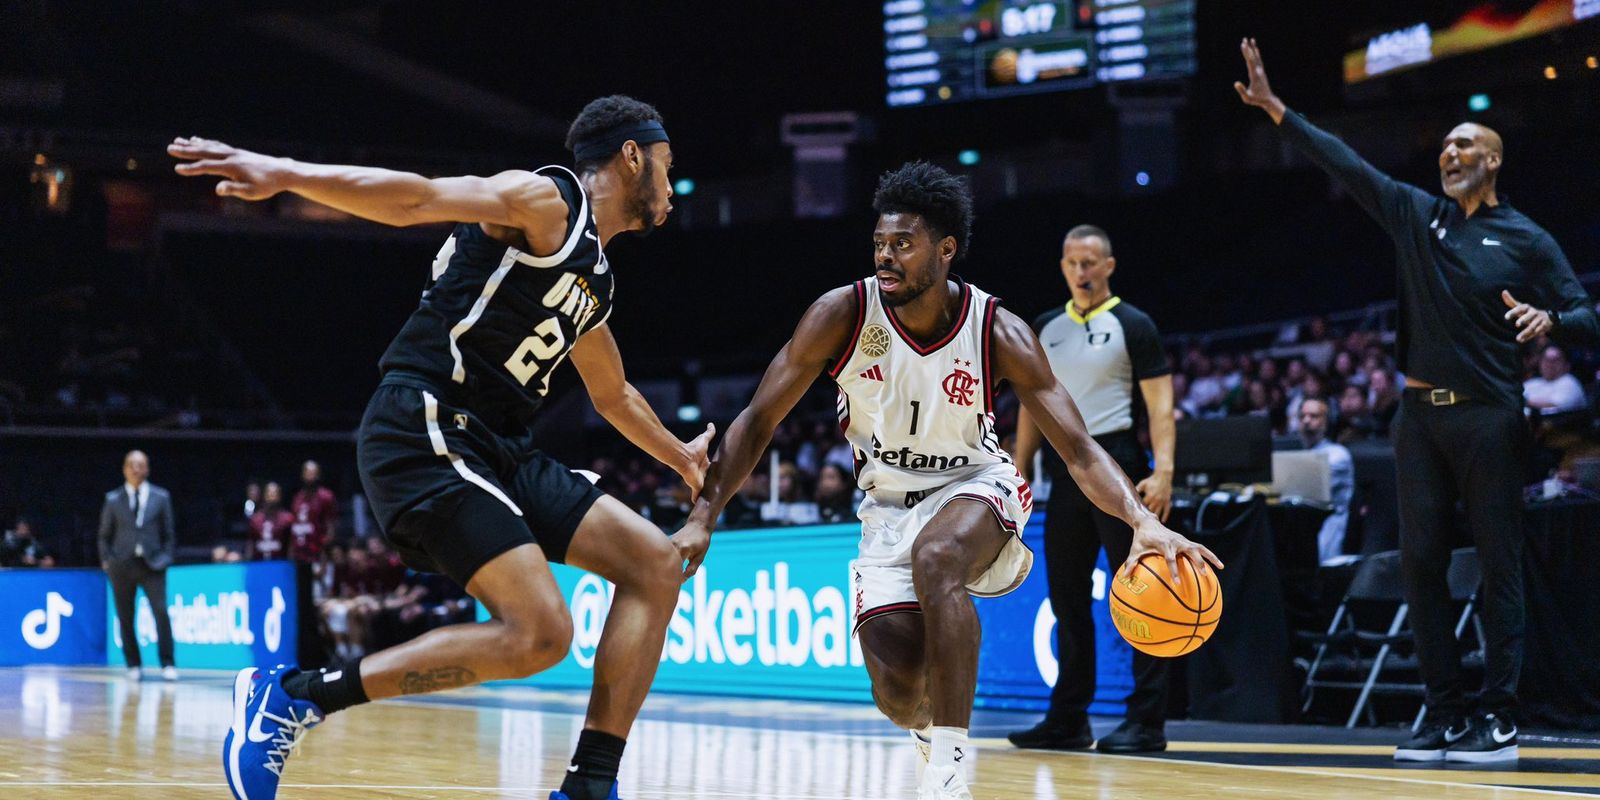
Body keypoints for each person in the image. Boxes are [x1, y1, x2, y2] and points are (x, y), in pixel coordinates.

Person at [170, 94, 712, 800]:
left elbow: (613, 395)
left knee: (655, 564)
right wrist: (286, 174)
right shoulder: (549, 201)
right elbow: (417, 199)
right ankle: (295, 697)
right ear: (632, 156)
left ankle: (589, 785)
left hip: (496, 447)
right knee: (541, 633)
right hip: (424, 424)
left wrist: (680, 456)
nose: (672, 185)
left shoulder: (594, 277)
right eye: (667, 164)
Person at [669, 162, 1219, 799]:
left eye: (903, 244)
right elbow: (759, 419)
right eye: (880, 243)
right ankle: (931, 729)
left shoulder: (999, 331)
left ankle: (951, 771)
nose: (885, 256)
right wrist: (703, 516)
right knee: (899, 694)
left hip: (976, 484)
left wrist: (1141, 520)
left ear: (945, 249)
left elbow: (1078, 448)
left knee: (938, 555)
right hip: (884, 507)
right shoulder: (841, 315)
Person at [1236, 38, 1600, 763]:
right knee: (1421, 564)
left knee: (1499, 564)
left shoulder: (1525, 238)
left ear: (1493, 161)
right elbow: (1346, 162)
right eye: (1445, 146)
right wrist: (1278, 111)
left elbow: (1587, 315)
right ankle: (1444, 712)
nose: (1449, 153)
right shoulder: (1415, 215)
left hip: (1490, 414)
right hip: (1419, 418)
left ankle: (1499, 714)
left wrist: (1552, 319)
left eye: (1464, 144)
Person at [1007, 224, 1179, 754]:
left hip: (1120, 464)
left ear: (1108, 267)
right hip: (1065, 470)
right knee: (1067, 598)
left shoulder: (1134, 324)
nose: (1080, 271)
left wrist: (1164, 472)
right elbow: (1033, 402)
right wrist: (1018, 468)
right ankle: (1068, 719)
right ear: (1062, 266)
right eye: (1072, 262)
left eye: (1089, 263)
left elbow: (1161, 407)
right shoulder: (1045, 327)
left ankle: (1147, 722)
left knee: (1145, 592)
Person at [97, 450, 178, 681]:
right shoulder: (113, 499)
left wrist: (165, 558)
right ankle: (133, 664)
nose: (136, 469)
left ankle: (167, 663)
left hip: (152, 565)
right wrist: (108, 561)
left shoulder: (161, 497)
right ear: (124, 469)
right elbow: (104, 535)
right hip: (122, 566)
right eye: (131, 464)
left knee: (161, 613)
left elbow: (169, 533)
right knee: (125, 616)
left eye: (140, 465)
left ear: (147, 469)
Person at [1297, 398, 1355, 562]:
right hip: (1303, 525)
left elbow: (1311, 489)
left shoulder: (1338, 455)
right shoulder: (1300, 455)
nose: (1306, 420)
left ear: (1327, 422)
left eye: (1313, 416)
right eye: (1302, 416)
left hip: (1331, 525)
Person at [289, 460, 337, 565]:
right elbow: (294, 527)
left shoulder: (326, 497)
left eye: (313, 473)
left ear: (318, 475)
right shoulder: (297, 498)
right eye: (308, 473)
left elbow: (331, 526)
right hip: (299, 554)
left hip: (319, 554)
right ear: (302, 475)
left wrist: (325, 554)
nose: (310, 476)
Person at [1523, 344, 1587, 413]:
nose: (1549, 364)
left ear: (1567, 365)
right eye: (1546, 359)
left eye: (1555, 360)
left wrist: (1521, 401)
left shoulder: (1570, 383)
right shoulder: (1531, 383)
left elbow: (1554, 405)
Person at [246, 482, 294, 561]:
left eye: (275, 493)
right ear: (264, 496)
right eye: (269, 493)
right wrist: (248, 563)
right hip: (259, 564)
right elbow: (250, 544)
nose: (272, 496)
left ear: (279, 496)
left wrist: (290, 563)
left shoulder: (287, 519)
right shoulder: (255, 519)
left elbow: (291, 545)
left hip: (280, 563)